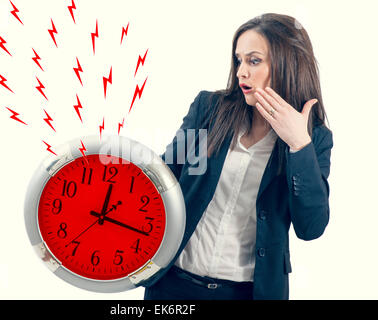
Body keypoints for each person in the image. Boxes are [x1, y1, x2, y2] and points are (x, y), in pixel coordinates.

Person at [143, 13, 333, 300]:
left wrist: (298, 145)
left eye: (254, 61)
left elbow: (311, 228)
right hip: (172, 287)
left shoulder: (313, 139)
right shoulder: (209, 109)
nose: (242, 71)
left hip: (246, 294)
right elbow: (163, 177)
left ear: (286, 64)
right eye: (239, 60)